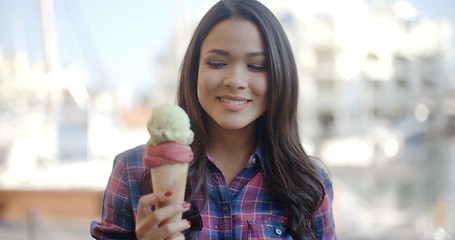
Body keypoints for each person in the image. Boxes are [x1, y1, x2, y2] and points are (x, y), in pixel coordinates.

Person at [91, 0, 336, 239]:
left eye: (256, 65)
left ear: (280, 77)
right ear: (194, 69)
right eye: (217, 63)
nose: (235, 80)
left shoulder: (310, 183)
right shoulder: (134, 171)